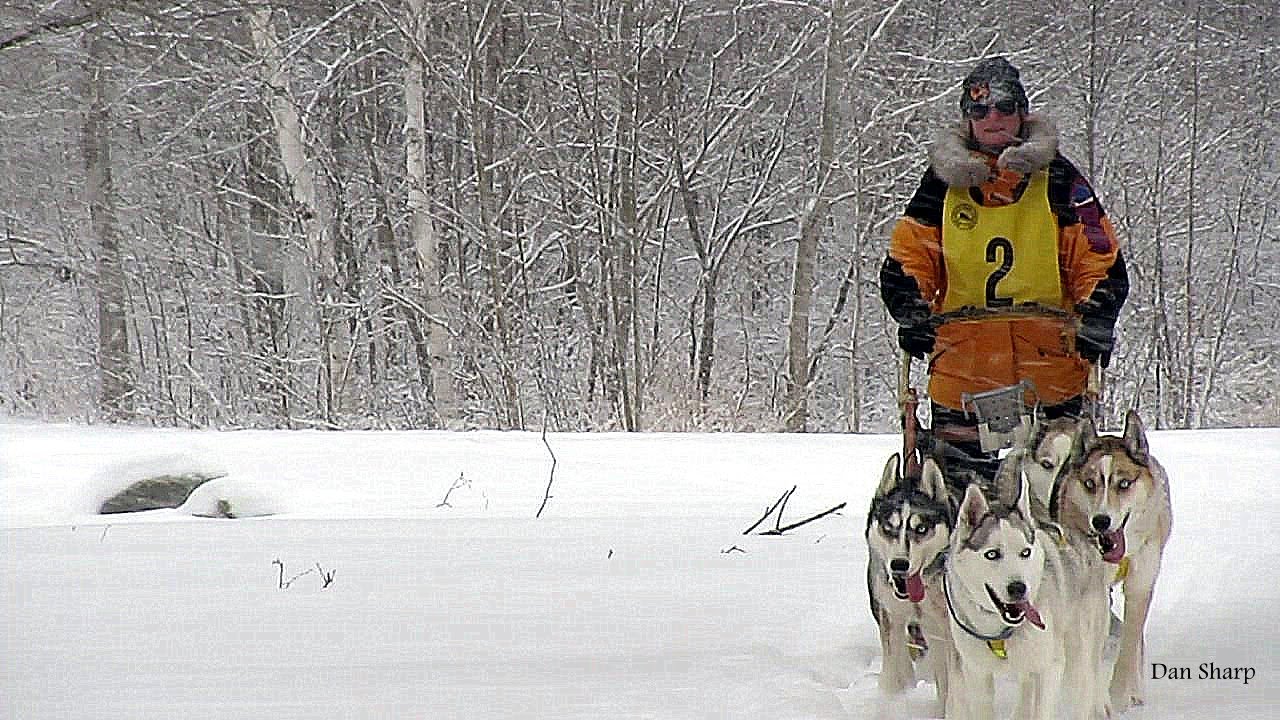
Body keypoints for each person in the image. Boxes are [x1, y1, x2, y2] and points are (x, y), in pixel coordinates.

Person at [879, 56, 1129, 478]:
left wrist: (1098, 313)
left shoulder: (1059, 180)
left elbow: (1098, 258)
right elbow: (909, 257)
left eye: (1004, 107)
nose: (993, 118)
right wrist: (911, 308)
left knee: (1057, 501)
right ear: (967, 118)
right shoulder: (940, 186)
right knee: (963, 503)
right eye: (980, 110)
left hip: (1050, 374)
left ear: (1022, 113)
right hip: (964, 375)